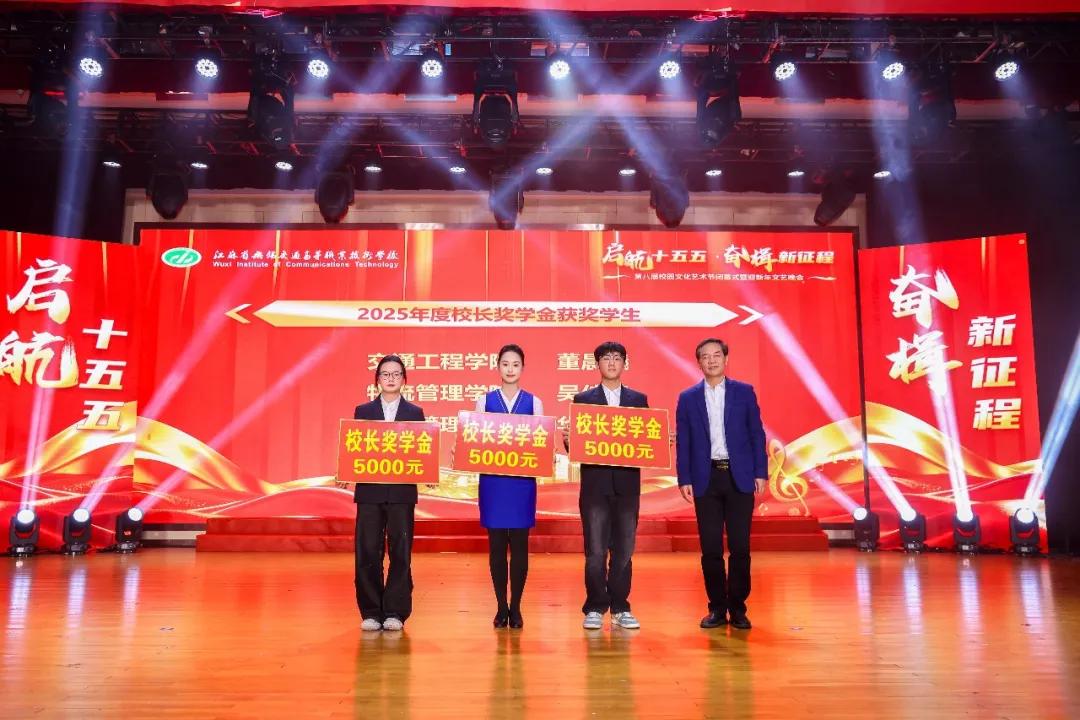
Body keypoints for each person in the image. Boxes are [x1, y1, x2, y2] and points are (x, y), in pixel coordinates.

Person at [675, 338, 767, 630]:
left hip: (739, 476)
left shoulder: (744, 392)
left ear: (726, 359)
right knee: (711, 548)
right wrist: (684, 477)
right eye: (705, 356)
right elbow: (684, 441)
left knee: (740, 546)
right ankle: (716, 608)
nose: (712, 360)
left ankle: (738, 608)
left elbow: (756, 434)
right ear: (698, 362)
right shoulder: (688, 398)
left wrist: (761, 472)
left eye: (717, 355)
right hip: (706, 478)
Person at [570, 341, 648, 631]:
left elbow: (645, 442)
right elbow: (578, 445)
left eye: (617, 358)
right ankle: (595, 606)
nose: (612, 363)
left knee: (624, 550)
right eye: (606, 358)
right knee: (595, 551)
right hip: (595, 487)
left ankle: (620, 607)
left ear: (624, 363)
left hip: (627, 487)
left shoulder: (638, 400)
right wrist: (569, 440)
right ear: (598, 364)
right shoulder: (583, 399)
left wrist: (658, 442)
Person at [352, 354, 426, 632]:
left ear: (404, 379)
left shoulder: (415, 413)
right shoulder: (363, 411)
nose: (391, 378)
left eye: (396, 374)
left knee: (400, 551)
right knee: (367, 551)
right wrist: (346, 472)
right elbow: (355, 450)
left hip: (401, 494)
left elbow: (421, 450)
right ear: (377, 380)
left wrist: (427, 473)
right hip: (370, 493)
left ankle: (395, 611)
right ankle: (371, 611)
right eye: (385, 374)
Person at [474, 344, 544, 630]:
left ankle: (516, 607)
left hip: (521, 485)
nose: (510, 369)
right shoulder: (484, 400)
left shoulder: (534, 402)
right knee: (496, 547)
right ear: (498, 367)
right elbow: (476, 440)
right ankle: (500, 606)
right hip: (493, 483)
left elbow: (540, 441)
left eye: (515, 364)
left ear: (522, 368)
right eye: (505, 364)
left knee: (519, 545)